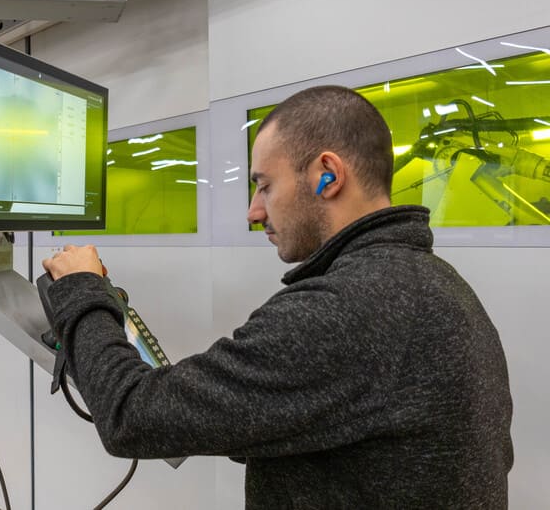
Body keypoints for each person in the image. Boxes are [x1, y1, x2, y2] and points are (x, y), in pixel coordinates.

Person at [42, 85, 513, 509]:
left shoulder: (341, 308)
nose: (253, 211)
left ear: (327, 175)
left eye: (265, 185)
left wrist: (80, 287)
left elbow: (131, 415)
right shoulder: (440, 284)